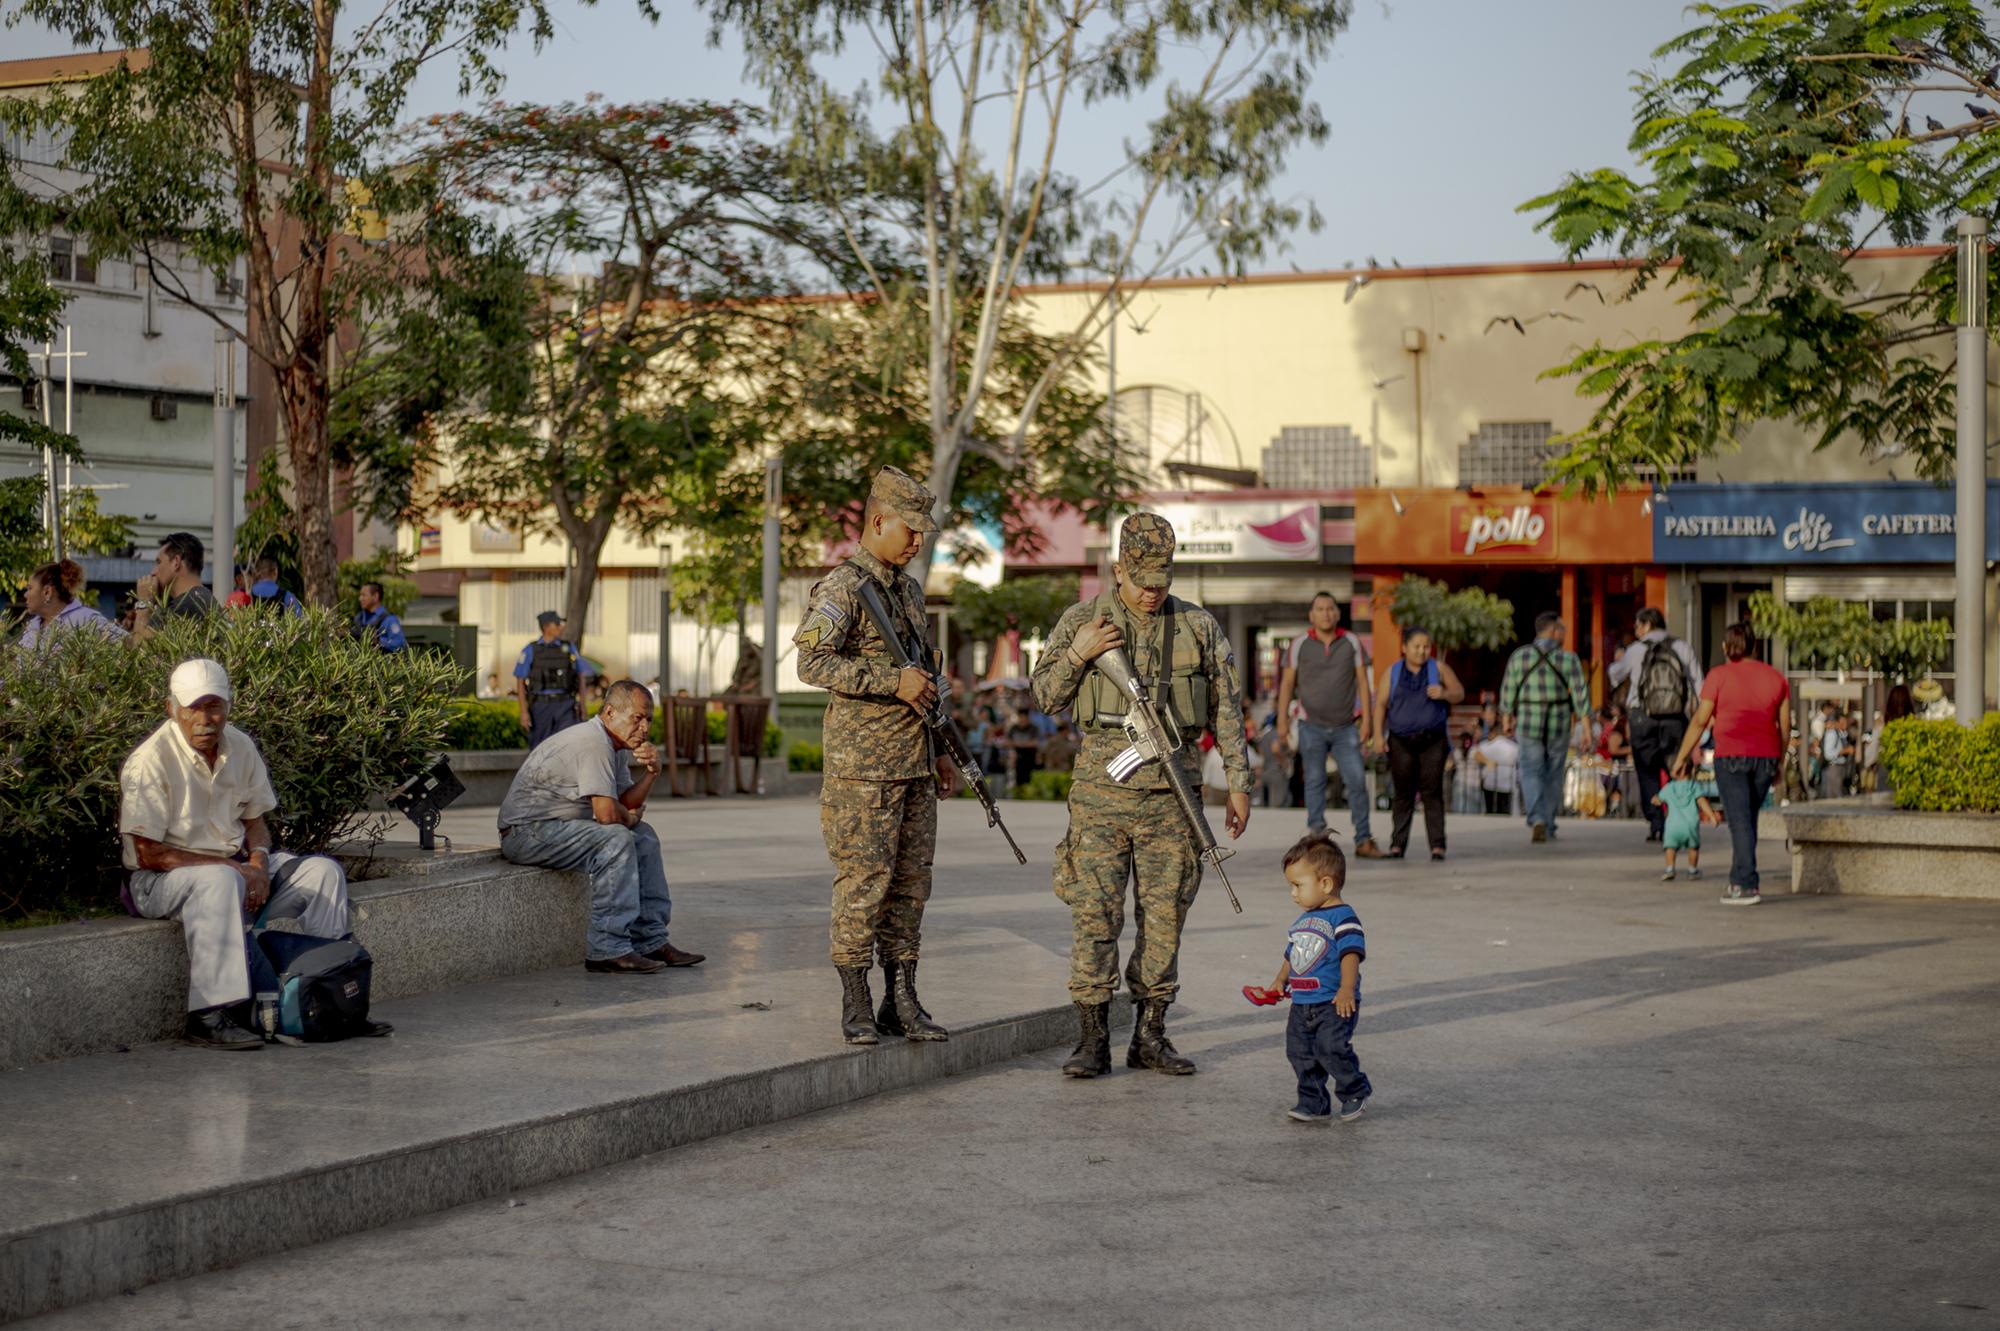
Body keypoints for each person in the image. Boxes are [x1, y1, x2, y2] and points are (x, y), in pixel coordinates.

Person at [1033, 511, 1251, 1078]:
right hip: (1101, 795)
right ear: (1118, 569)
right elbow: (1045, 697)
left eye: (1163, 581)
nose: (1154, 593)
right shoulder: (1085, 619)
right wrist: (1079, 653)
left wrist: (1239, 783)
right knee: (1095, 915)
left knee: (1164, 919)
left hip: (1173, 799)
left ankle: (1150, 1034)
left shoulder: (1199, 627)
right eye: (1143, 581)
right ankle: (1092, 1038)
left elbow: (1227, 707)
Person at [794, 466, 957, 1045]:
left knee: (911, 885)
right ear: (878, 521)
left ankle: (902, 997)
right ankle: (856, 998)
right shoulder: (842, 587)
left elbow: (923, 677)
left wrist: (940, 751)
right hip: (863, 771)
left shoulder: (909, 590)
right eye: (910, 530)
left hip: (913, 762)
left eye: (923, 533)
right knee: (864, 882)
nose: (917, 542)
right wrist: (890, 682)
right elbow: (810, 664)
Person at [118, 659, 356, 1049]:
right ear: (171, 708)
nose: (205, 718)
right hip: (160, 881)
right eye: (193, 706)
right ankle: (208, 1015)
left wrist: (259, 861)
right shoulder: (151, 760)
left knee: (323, 874)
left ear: (229, 706)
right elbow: (148, 854)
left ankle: (330, 994)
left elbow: (255, 820)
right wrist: (234, 867)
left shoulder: (240, 746)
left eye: (215, 706)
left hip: (234, 870)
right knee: (220, 880)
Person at [497, 679, 704, 973]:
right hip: (526, 833)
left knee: (643, 837)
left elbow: (625, 804)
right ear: (609, 713)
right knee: (616, 839)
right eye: (637, 718)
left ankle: (651, 940)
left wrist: (651, 774)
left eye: (649, 720)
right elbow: (608, 815)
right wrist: (629, 818)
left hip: (558, 828)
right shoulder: (593, 742)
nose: (644, 728)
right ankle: (607, 948)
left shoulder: (615, 747)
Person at [1242, 834, 1370, 1124]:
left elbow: (1351, 954)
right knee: (1300, 1052)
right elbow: (1292, 955)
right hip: (1301, 1002)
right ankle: (1313, 1102)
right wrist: (1279, 981)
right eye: (1291, 886)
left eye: (1298, 885)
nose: (1293, 893)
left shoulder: (1343, 917)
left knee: (1331, 1048)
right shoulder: (1301, 921)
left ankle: (1354, 1090)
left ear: (1325, 883)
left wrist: (1347, 988)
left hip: (1333, 1002)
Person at [1672, 622, 1791, 907]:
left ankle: (1748, 884)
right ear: (1755, 646)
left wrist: (1682, 756)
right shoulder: (1776, 678)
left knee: (1739, 822)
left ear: (1726, 648)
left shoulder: (1718, 676)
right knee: (1746, 820)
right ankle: (1737, 878)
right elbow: (1785, 726)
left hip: (1731, 757)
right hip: (1766, 757)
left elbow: (1701, 720)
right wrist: (1780, 762)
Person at [1273, 592, 1383, 857]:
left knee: (1356, 780)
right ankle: (1317, 836)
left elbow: (1363, 684)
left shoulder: (1351, 642)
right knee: (1314, 780)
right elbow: (1287, 684)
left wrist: (1367, 720)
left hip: (1346, 726)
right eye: (1320, 609)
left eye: (1330, 608)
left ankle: (1363, 839)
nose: (1325, 613)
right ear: (1311, 615)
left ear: (1337, 613)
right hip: (1311, 725)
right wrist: (1282, 722)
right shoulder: (1299, 644)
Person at [1608, 607, 1703, 844]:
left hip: (1642, 717)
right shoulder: (1681, 647)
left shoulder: (1635, 650)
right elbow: (1698, 683)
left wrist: (1618, 663)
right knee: (1676, 767)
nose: (1637, 631)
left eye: (1638, 626)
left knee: (1647, 771)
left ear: (1647, 624)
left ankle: (1656, 824)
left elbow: (1615, 675)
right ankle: (1678, 818)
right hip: (1675, 717)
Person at [1370, 627, 1463, 861]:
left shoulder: (1438, 669)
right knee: (1403, 793)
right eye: (1416, 646)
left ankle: (1437, 845)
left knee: (1432, 791)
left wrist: (1444, 693)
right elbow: (1380, 705)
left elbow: (1459, 693)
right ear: (1404, 648)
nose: (1422, 651)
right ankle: (1397, 845)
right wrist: (1378, 737)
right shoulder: (1392, 672)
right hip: (1401, 740)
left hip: (1433, 739)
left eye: (1426, 646)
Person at [1500, 612, 1591, 845]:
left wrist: (1507, 717)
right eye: (1563, 629)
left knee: (1530, 771)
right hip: (1558, 721)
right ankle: (1548, 822)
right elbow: (1581, 696)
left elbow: (1508, 690)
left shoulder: (1519, 656)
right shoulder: (1569, 659)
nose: (1565, 634)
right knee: (1554, 773)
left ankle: (1537, 818)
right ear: (1553, 631)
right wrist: (1586, 727)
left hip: (1528, 721)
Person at [17, 559, 126, 648]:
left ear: (47, 592)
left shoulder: (85, 619)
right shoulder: (33, 625)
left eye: (29, 588)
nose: (25, 595)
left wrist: (142, 607)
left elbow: (129, 643)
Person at [514, 611, 584, 749]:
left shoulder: (569, 648)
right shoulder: (530, 650)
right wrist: (523, 711)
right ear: (546, 627)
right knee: (540, 749)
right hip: (541, 706)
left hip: (566, 705)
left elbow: (580, 675)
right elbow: (520, 680)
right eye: (557, 624)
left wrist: (583, 705)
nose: (561, 627)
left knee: (569, 747)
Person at [130, 531, 218, 639]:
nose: (153, 572)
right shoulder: (200, 598)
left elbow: (139, 649)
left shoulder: (185, 606)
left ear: (176, 562)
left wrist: (144, 602)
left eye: (159, 562)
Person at [1654, 769, 1718, 882]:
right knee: (1693, 847)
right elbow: (1702, 802)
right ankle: (1692, 870)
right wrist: (1711, 816)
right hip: (1690, 825)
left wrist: (1655, 799)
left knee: (1670, 847)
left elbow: (1658, 800)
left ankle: (1670, 869)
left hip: (1672, 826)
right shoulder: (1694, 786)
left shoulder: (1669, 787)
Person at [1473, 715, 1519, 816]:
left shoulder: (1488, 745)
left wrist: (1487, 761)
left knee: (1490, 812)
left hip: (1490, 785)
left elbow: (1475, 754)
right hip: (1508, 786)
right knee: (1505, 814)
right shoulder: (1514, 747)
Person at [351, 581, 407, 652]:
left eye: (364, 595)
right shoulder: (359, 618)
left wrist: (379, 641)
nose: (360, 599)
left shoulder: (389, 620)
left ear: (375, 596)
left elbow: (399, 643)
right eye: (360, 595)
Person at [1820, 711, 1855, 800]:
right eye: (1842, 722)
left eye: (1845, 722)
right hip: (1834, 768)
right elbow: (1828, 754)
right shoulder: (1832, 734)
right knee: (1835, 798)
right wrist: (1843, 751)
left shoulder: (1843, 735)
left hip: (1842, 769)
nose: (1844, 725)